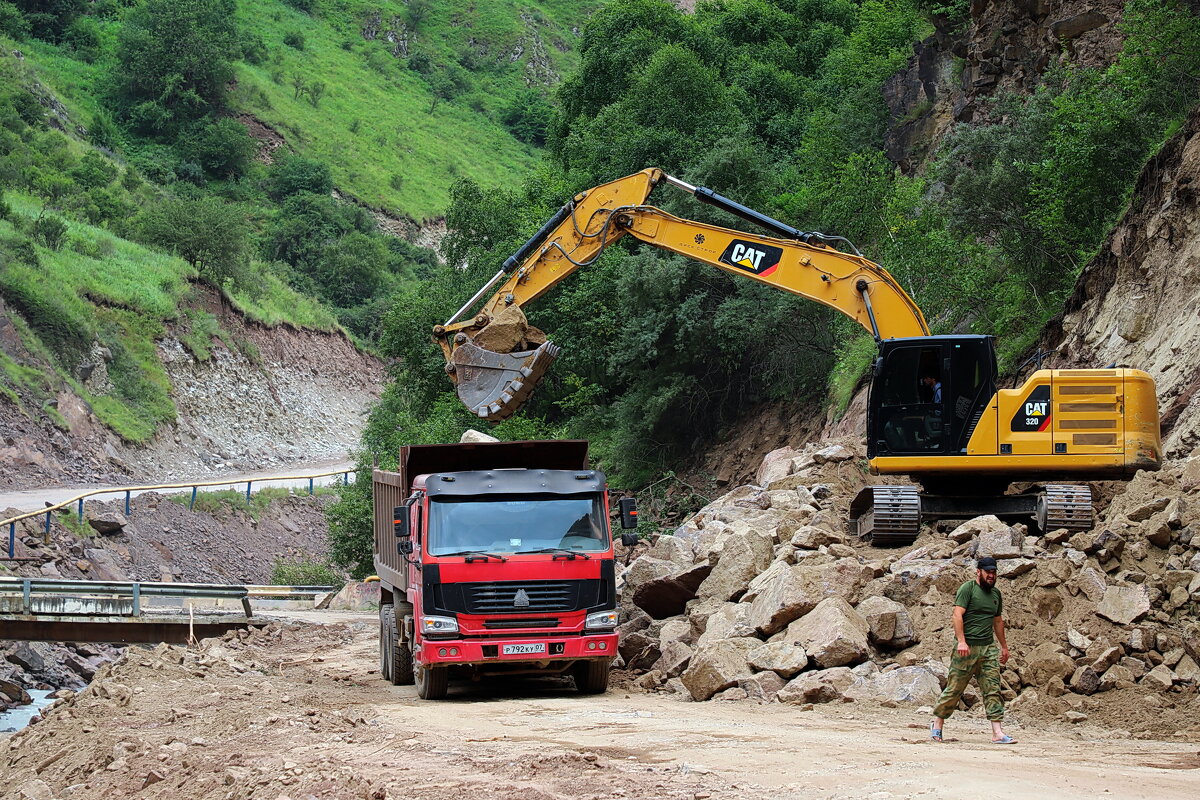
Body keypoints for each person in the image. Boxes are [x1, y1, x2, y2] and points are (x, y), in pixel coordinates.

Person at [930, 556, 1015, 744]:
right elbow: (957, 615)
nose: (991, 576)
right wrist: (961, 641)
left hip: (987, 649)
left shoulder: (995, 595)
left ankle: (997, 732)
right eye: (988, 572)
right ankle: (937, 725)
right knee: (955, 688)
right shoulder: (967, 589)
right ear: (979, 572)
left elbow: (998, 621)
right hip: (966, 648)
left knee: (993, 688)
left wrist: (1004, 647)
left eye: (994, 572)